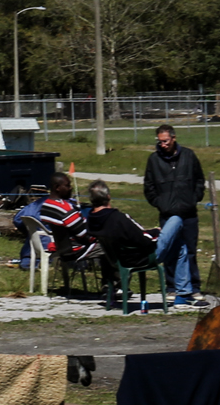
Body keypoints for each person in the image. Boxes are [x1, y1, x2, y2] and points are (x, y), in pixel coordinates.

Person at [144, 124, 206, 310]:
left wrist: (193, 199)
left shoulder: (189, 156)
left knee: (190, 250)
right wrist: (160, 203)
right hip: (168, 214)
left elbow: (199, 180)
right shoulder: (154, 160)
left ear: (173, 138)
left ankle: (193, 288)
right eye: (160, 141)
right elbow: (149, 187)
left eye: (166, 141)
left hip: (188, 213)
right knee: (170, 250)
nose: (163, 144)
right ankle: (172, 288)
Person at [83, 180, 164, 310]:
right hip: (138, 258)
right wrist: (156, 233)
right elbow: (142, 239)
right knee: (175, 223)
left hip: (114, 259)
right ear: (108, 197)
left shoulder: (91, 219)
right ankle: (182, 292)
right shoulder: (118, 218)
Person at [36, 172, 92, 262]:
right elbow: (85, 235)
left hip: (60, 247)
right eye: (67, 185)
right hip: (77, 249)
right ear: (57, 188)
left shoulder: (45, 206)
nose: (70, 188)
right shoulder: (66, 210)